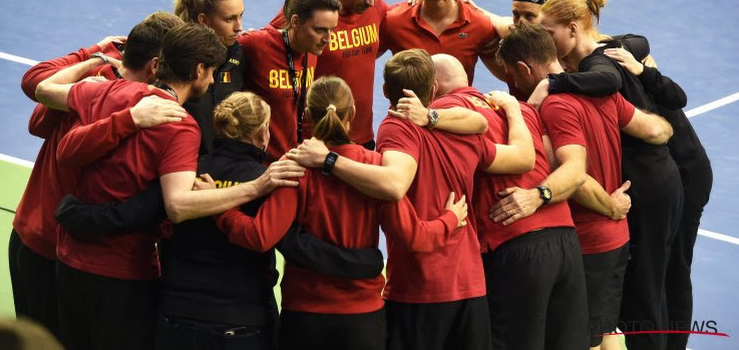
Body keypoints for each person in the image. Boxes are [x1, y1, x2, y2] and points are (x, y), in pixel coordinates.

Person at [33, 24, 301, 350]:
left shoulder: (110, 91)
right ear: (199, 69)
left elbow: (43, 90)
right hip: (123, 273)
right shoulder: (180, 125)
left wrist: (93, 58)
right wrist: (257, 187)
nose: (214, 81)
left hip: (69, 261)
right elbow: (178, 205)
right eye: (213, 72)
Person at [289, 49, 535, 350]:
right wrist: (513, 109)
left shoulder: (396, 127)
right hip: (470, 286)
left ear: (384, 91)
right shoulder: (463, 131)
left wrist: (328, 160)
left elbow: (394, 185)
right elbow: (522, 157)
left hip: (418, 287)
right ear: (433, 89)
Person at [215, 76, 469, 350]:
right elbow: (415, 237)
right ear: (353, 114)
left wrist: (222, 208)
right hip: (362, 320)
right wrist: (450, 219)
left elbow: (260, 236)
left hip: (304, 317)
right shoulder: (374, 167)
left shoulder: (294, 165)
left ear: (307, 115)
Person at [498, 23, 675, 349]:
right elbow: (656, 131)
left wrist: (608, 206)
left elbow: (573, 174)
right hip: (618, 238)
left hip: (590, 241)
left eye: (512, 74)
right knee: (607, 332)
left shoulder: (553, 107)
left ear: (526, 67)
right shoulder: (603, 93)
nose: (513, 83)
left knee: (583, 341)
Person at [8, 12, 184, 338]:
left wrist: (93, 56)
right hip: (63, 252)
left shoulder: (87, 86)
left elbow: (36, 118)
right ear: (157, 66)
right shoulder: (146, 110)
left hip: (27, 232)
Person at [432, 53, 589, 350]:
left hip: (515, 247)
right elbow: (556, 164)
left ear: (434, 87)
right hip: (565, 242)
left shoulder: (445, 112)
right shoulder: (521, 109)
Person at [602, 42, 712, 350]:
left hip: (685, 175)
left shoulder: (612, 60)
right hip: (667, 175)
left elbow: (638, 42)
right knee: (656, 274)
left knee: (672, 271)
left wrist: (643, 66)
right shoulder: (602, 62)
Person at [156, 92, 282, 350]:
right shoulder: (267, 181)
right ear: (261, 135)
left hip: (176, 315)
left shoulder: (186, 174)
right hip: (238, 323)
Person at [268, 0, 392, 149]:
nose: (372, 1)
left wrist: (456, 0)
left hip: (361, 138)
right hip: (314, 139)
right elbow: (269, 49)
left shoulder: (376, 7)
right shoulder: (308, 7)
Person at [241, 0, 340, 161]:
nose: (328, 38)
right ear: (295, 22)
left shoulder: (311, 50)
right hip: (256, 166)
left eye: (332, 29)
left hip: (292, 162)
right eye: (320, 30)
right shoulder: (256, 44)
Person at [174, 0, 246, 154]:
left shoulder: (239, 54)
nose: (239, 27)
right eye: (230, 19)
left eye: (241, 16)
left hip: (226, 168)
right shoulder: (177, 62)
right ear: (203, 20)